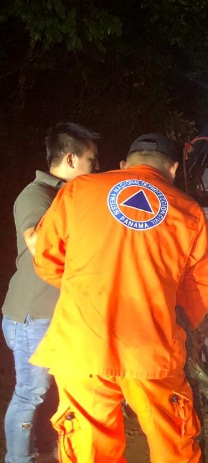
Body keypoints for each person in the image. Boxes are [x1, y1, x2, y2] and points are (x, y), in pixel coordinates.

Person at [30, 133, 208, 463]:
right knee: (172, 444)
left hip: (82, 344)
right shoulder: (190, 214)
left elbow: (47, 260)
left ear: (123, 166)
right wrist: (171, 321)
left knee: (90, 450)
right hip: (151, 347)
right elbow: (202, 288)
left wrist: (89, 289)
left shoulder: (78, 190)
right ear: (173, 169)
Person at [2, 122, 100, 463]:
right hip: (33, 315)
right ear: (71, 159)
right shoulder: (37, 194)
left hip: (53, 313)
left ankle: (49, 451)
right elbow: (35, 240)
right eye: (91, 159)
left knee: (54, 392)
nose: (95, 166)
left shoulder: (67, 196)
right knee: (31, 393)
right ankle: (18, 459)